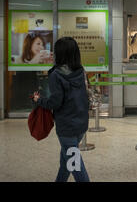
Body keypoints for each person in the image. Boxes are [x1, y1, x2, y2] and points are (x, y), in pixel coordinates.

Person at [32, 37, 90, 182]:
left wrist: (39, 100)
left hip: (67, 127)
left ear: (59, 54)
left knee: (75, 166)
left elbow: (55, 102)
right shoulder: (80, 71)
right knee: (66, 162)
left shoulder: (56, 75)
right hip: (81, 124)